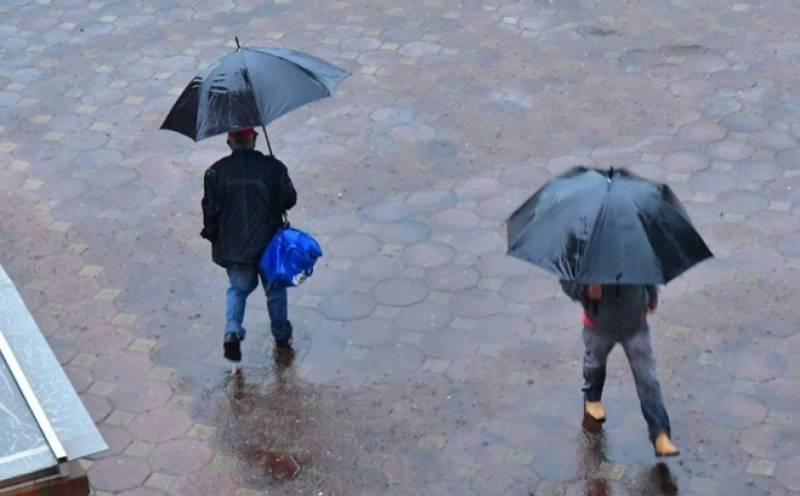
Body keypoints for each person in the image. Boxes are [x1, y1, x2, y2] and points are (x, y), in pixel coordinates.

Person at [201, 128, 297, 362]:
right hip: (269, 242)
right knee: (275, 290)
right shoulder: (273, 167)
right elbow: (289, 199)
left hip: (234, 246)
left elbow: (210, 211)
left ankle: (232, 330)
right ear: (254, 139)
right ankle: (281, 336)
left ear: (229, 142)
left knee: (237, 290)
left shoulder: (215, 172)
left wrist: (214, 237)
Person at [560, 281, 679, 457]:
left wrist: (652, 293)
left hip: (635, 322)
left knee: (647, 379)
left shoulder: (634, 252)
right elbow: (567, 279)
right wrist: (585, 290)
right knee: (595, 365)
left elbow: (646, 268)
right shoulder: (583, 253)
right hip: (598, 324)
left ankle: (660, 433)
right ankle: (592, 399)